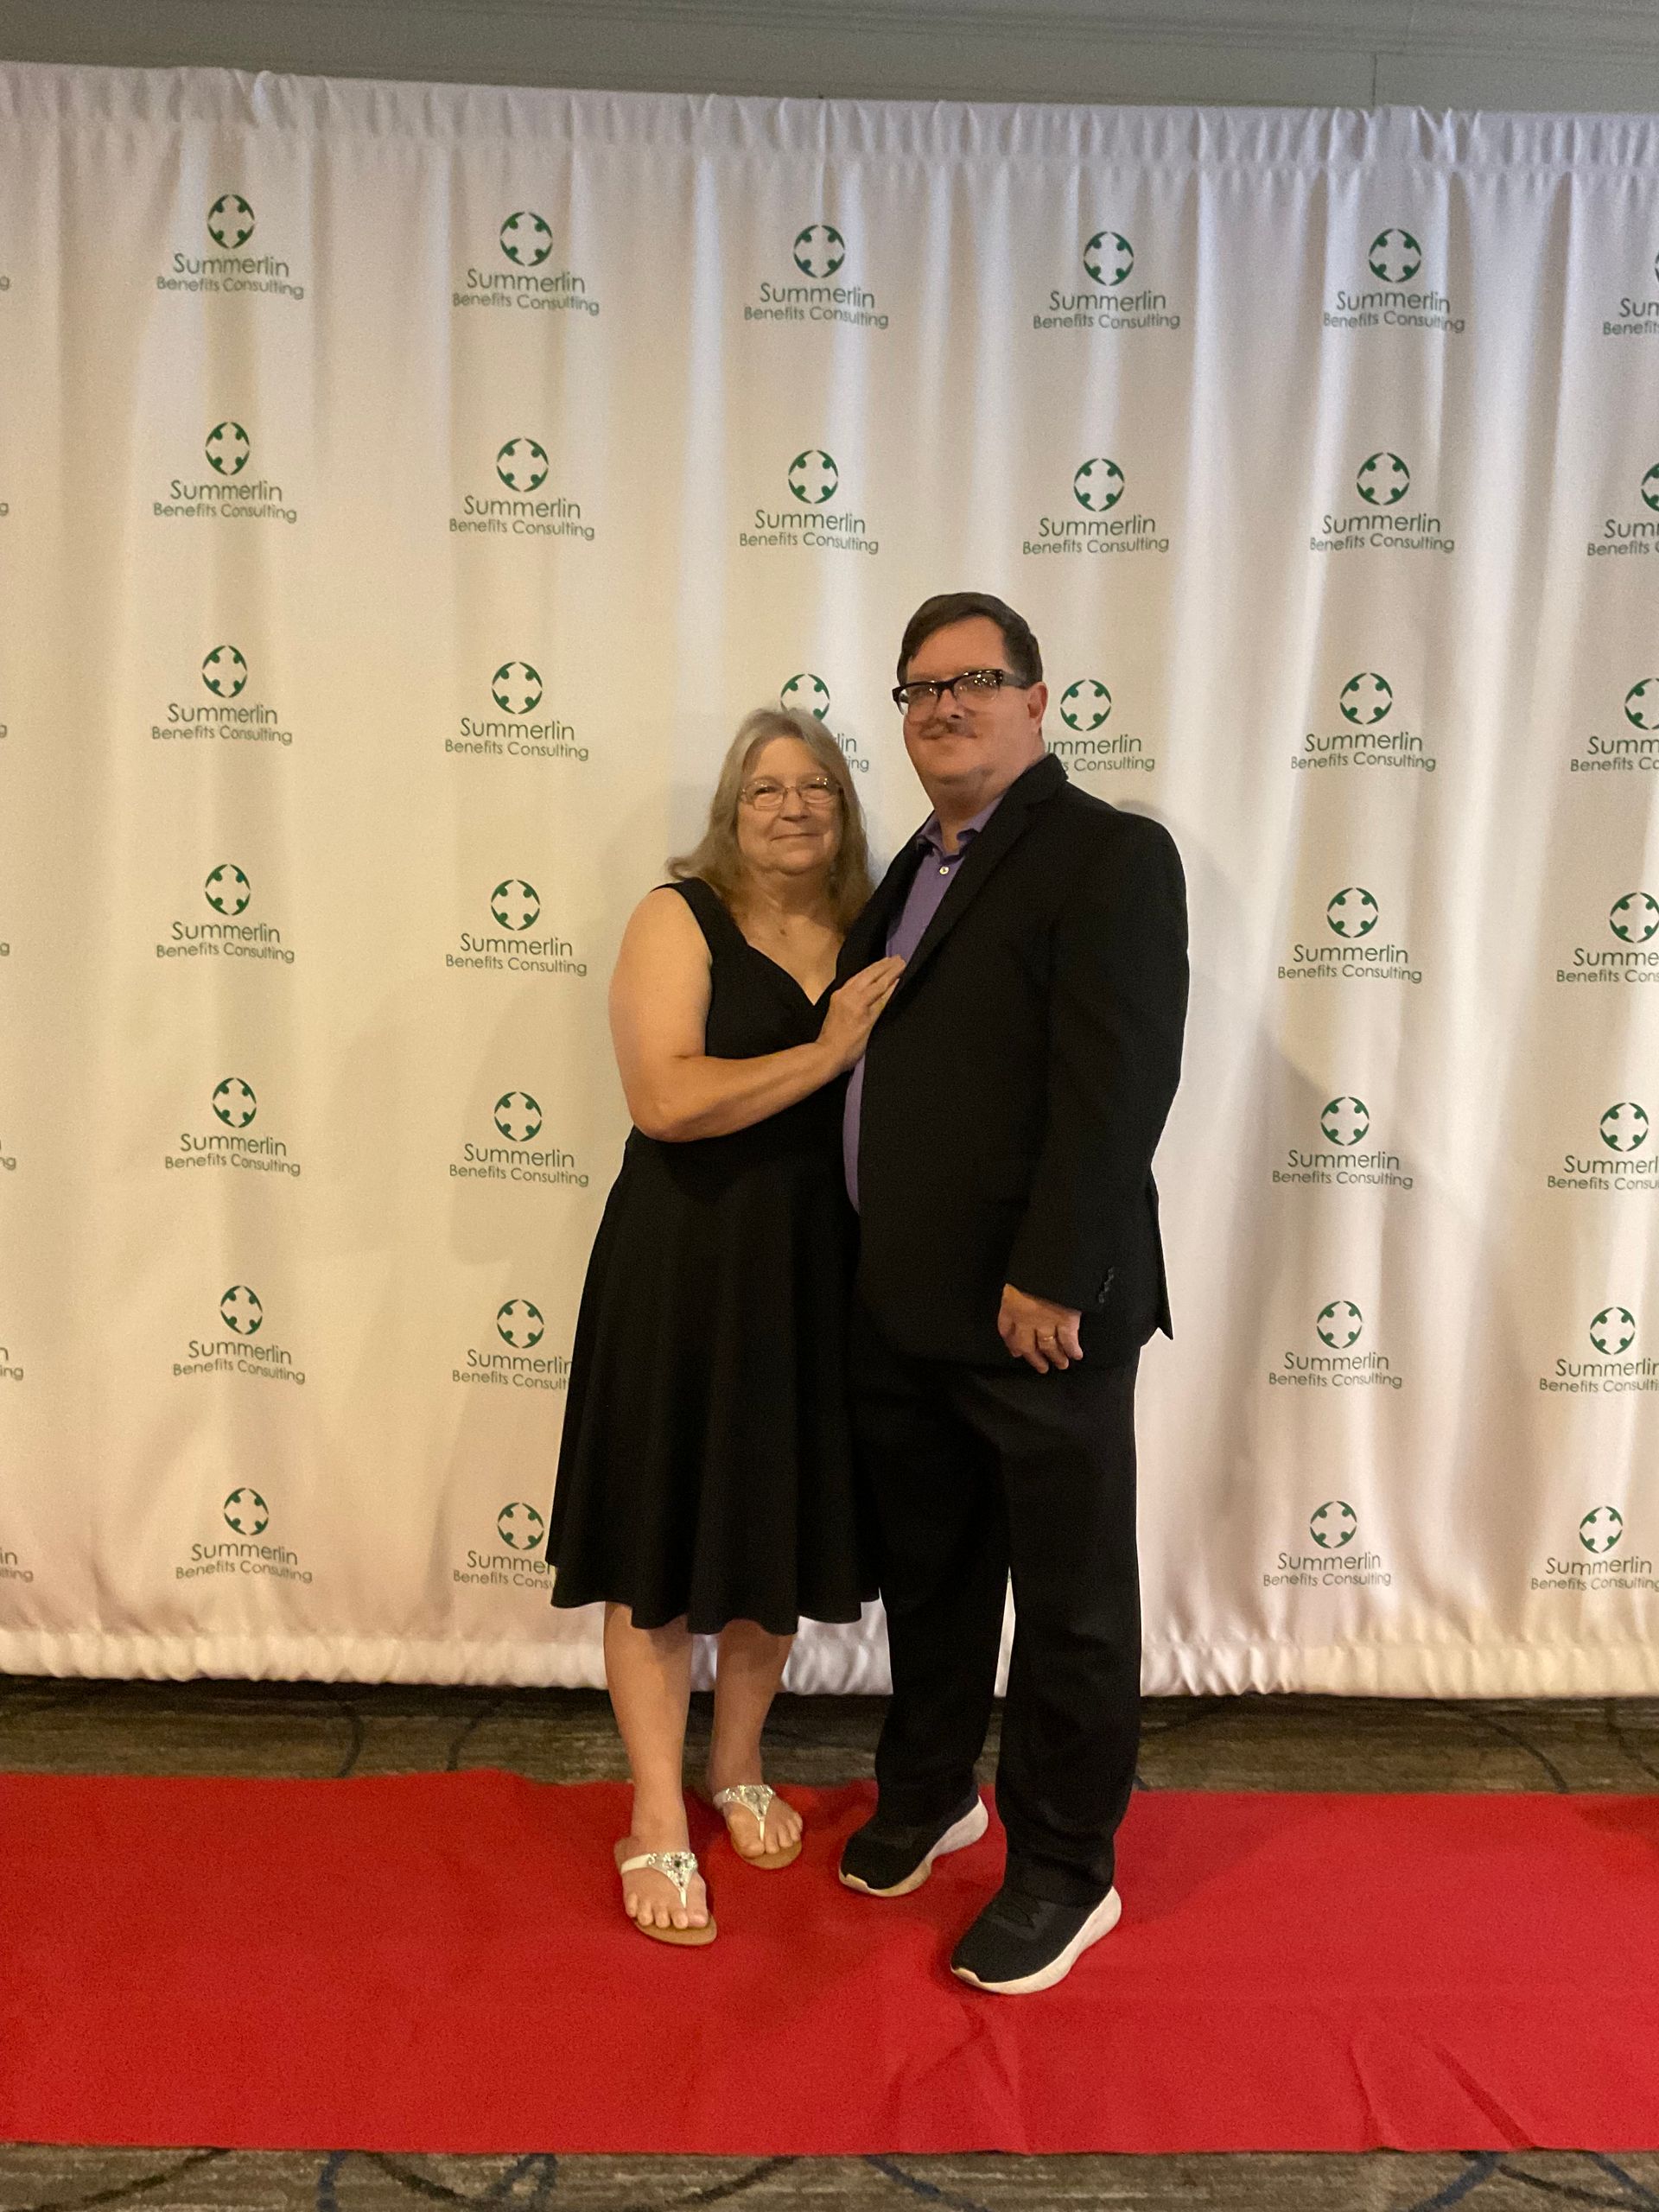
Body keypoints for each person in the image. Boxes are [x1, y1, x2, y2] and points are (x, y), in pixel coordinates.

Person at [836, 592, 1188, 1994]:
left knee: (1070, 1603)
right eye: (920, 688)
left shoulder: (1108, 854)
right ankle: (932, 1792)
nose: (943, 707)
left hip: (1036, 1314)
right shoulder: (909, 871)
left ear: (1040, 702)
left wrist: (1051, 1272)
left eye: (974, 681)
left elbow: (1117, 1084)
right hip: (904, 1307)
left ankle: (1064, 1865)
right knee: (930, 1579)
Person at [546, 706, 904, 1946]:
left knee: (769, 1534)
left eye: (816, 786)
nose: (792, 805)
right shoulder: (677, 914)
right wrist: (827, 1050)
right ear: (730, 810)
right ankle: (652, 1812)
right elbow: (665, 1099)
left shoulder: (877, 933)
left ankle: (736, 1764)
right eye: (766, 787)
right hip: (684, 1269)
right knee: (658, 1554)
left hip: (816, 1274)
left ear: (846, 811)